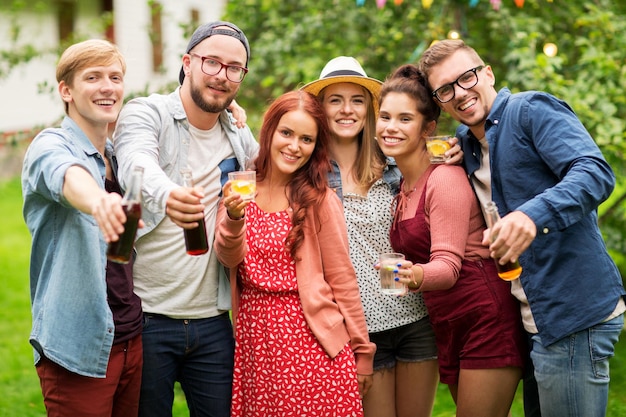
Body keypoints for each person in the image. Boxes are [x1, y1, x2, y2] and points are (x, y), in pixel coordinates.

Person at [418, 39, 626, 417]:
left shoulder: (530, 110)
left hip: (572, 313)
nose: (460, 94)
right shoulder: (470, 144)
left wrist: (531, 215)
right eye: (445, 90)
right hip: (534, 322)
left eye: (466, 78)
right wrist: (458, 146)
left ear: (488, 73)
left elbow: (594, 172)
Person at [113, 21, 259, 417]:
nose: (221, 75)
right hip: (147, 318)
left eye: (234, 68)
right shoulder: (147, 112)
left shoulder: (238, 134)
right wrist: (168, 193)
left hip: (213, 320)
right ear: (188, 62)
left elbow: (277, 171)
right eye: (212, 62)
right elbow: (135, 161)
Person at [375, 64, 527, 417]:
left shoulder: (443, 178)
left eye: (404, 119)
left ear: (428, 128)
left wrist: (411, 276)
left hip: (484, 314)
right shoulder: (403, 186)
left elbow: (447, 268)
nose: (390, 127)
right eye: (384, 117)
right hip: (448, 320)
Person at [214, 90, 375, 416]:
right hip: (257, 343)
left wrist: (363, 352)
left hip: (312, 344)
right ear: (269, 130)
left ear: (316, 147)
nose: (294, 146)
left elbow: (343, 280)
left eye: (306, 139)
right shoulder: (240, 189)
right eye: (286, 133)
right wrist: (234, 217)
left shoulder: (319, 199)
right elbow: (228, 257)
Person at [301, 56, 439, 417]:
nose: (347, 110)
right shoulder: (305, 174)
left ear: (368, 108)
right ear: (321, 108)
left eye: (357, 100)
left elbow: (438, 166)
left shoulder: (395, 162)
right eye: (335, 100)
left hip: (413, 318)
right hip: (360, 330)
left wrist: (450, 153)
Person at [21, 39, 143, 417]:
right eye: (93, 77)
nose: (107, 86)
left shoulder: (118, 154)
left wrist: (228, 111)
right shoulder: (49, 145)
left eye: (115, 77)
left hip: (132, 339)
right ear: (66, 90)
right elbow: (65, 173)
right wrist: (99, 201)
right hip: (77, 347)